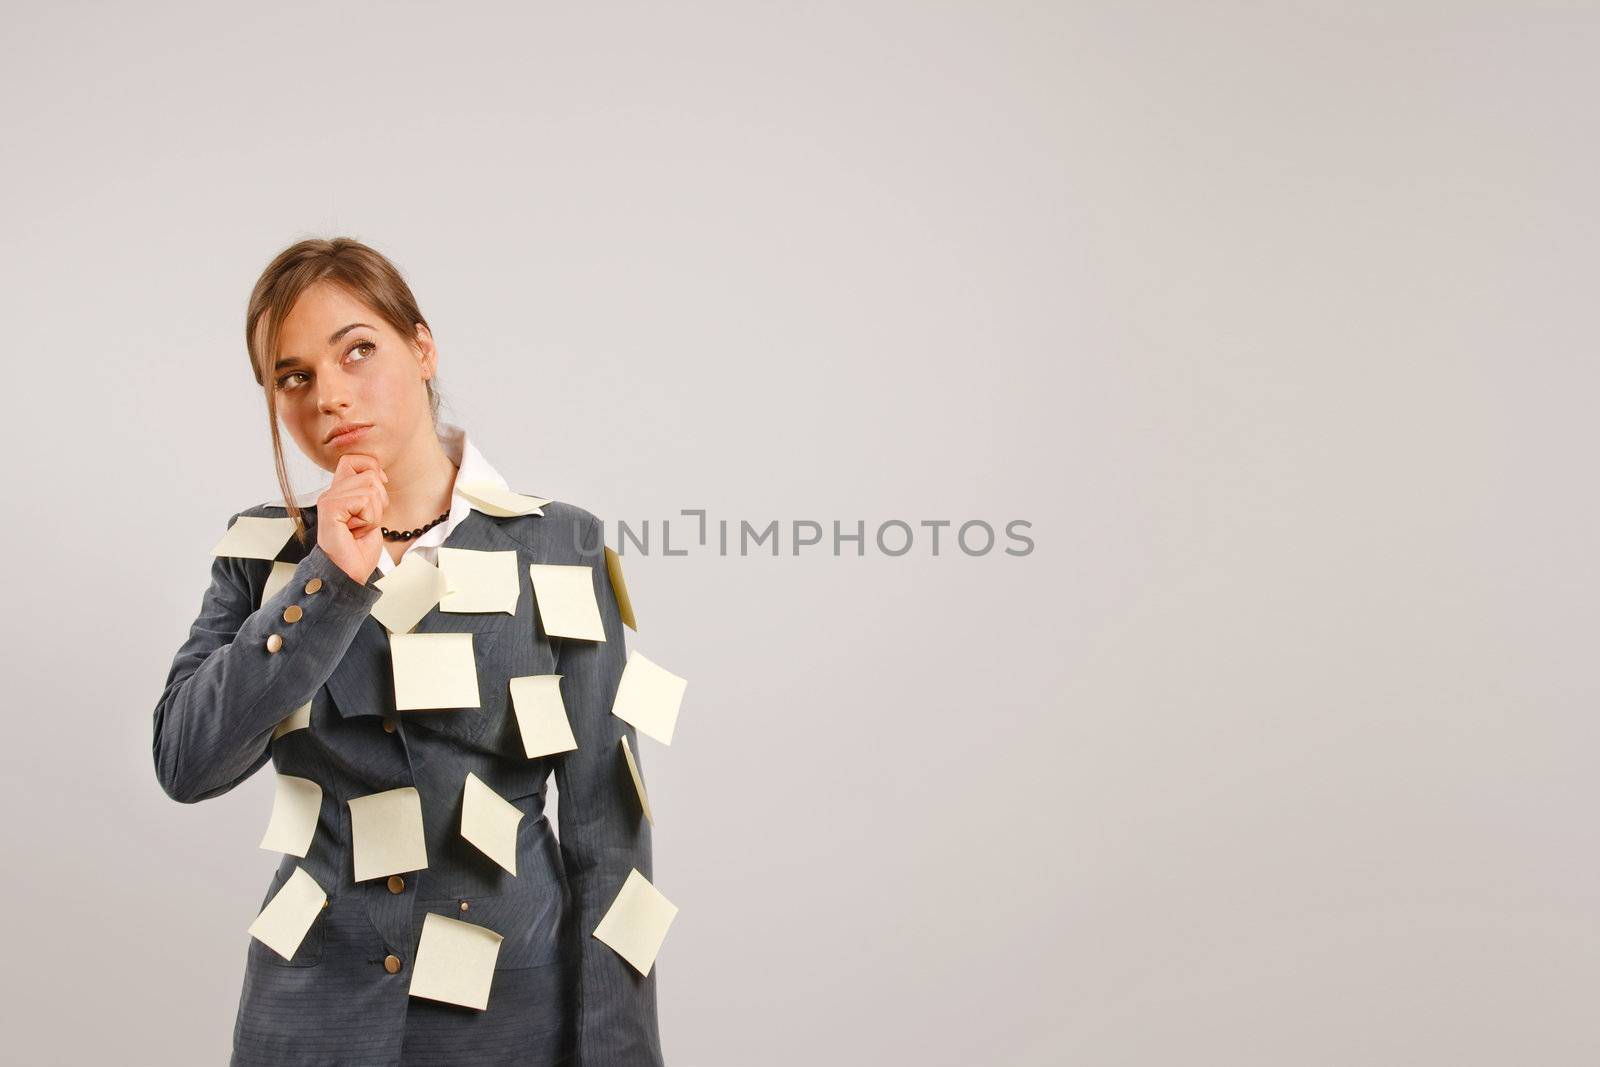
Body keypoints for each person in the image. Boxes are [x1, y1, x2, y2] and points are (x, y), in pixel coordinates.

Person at [152, 237, 665, 1065]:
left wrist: (616, 1054)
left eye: (358, 349)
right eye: (295, 377)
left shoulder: (563, 545)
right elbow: (185, 763)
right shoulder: (262, 557)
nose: (330, 395)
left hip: (508, 1028)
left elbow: (609, 836)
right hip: (308, 1025)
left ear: (421, 347)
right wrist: (328, 579)